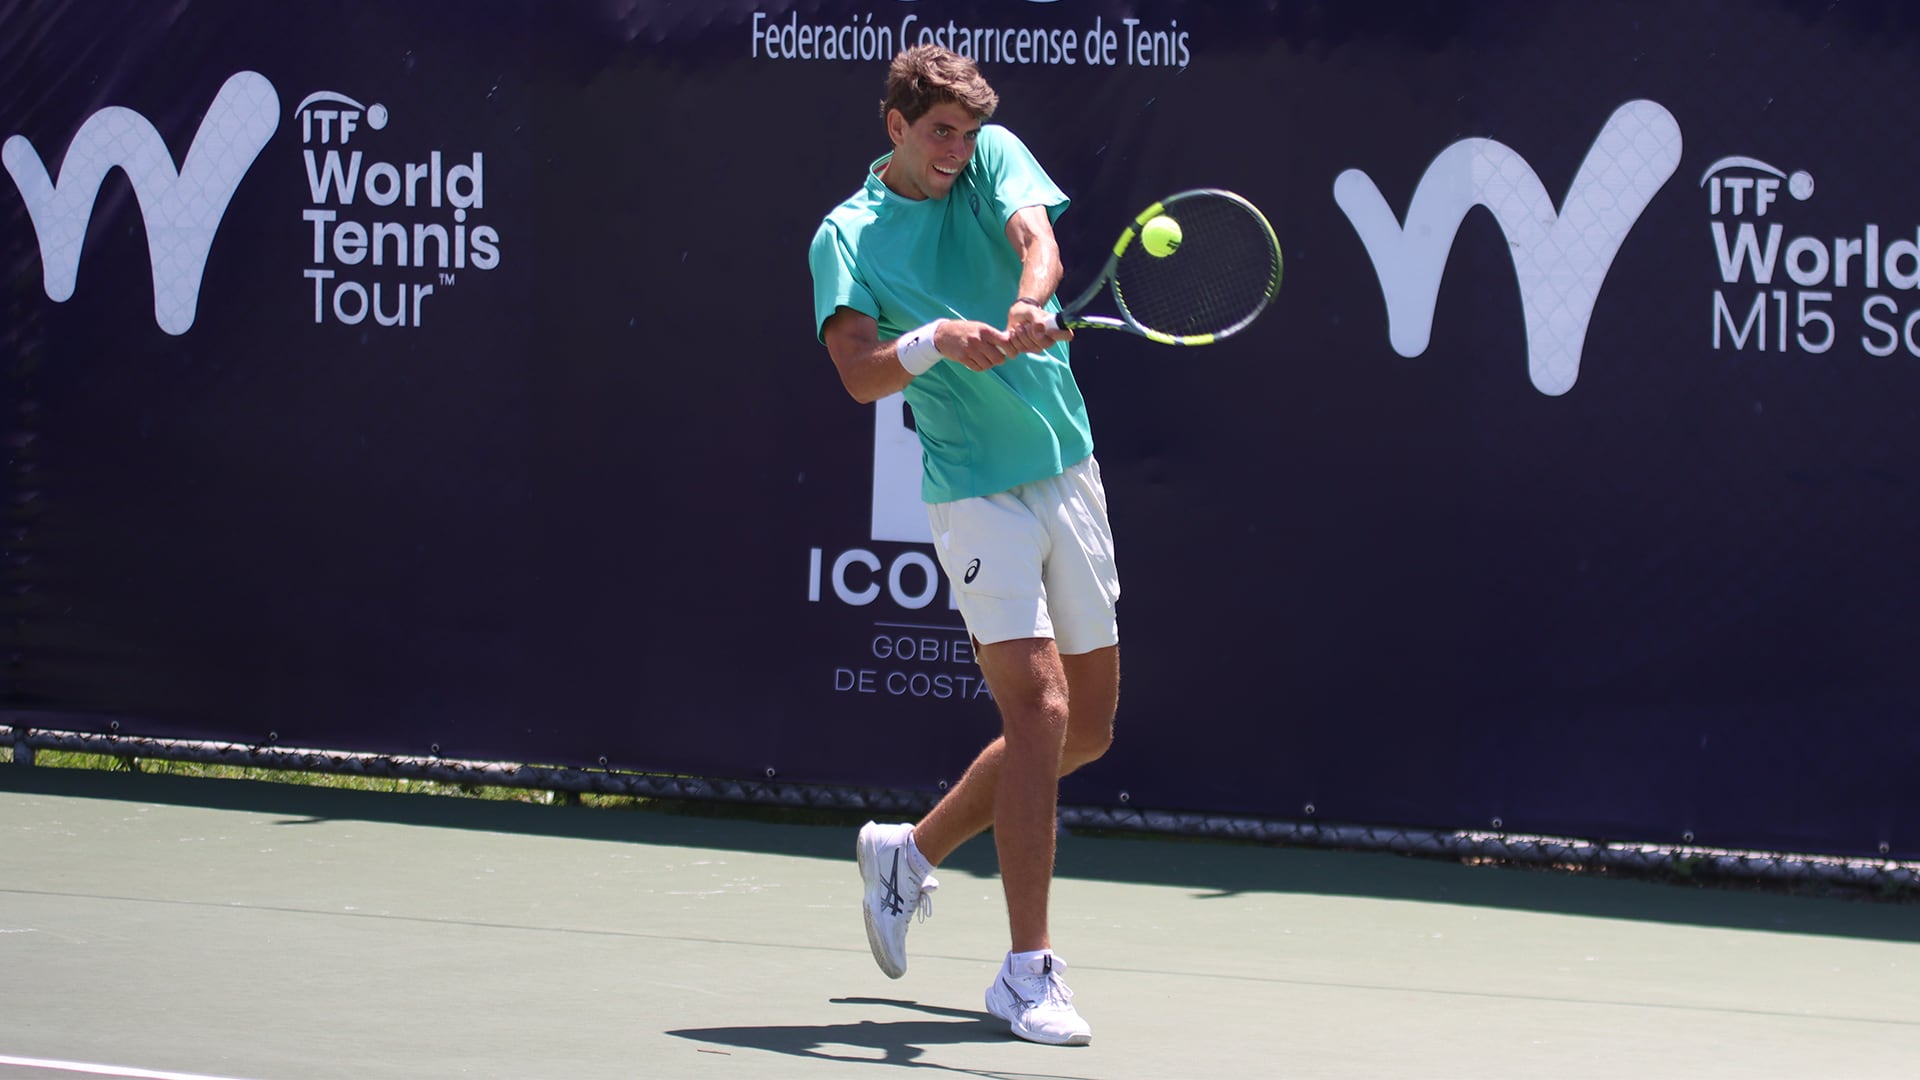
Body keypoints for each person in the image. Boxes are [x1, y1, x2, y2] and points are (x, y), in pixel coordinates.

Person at [807, 45, 1121, 1048]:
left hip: (1065, 464)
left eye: (966, 133)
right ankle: (1026, 973)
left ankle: (909, 852)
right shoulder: (846, 237)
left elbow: (1040, 242)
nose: (955, 151)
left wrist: (1031, 299)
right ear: (893, 125)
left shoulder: (991, 162)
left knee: (1089, 730)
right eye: (938, 132)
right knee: (1040, 712)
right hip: (971, 491)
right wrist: (936, 339)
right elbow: (858, 375)